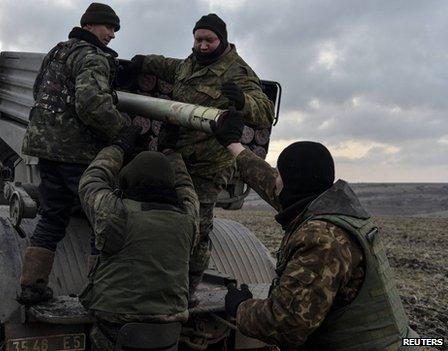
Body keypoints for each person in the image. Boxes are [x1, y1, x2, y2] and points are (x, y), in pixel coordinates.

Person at [216, 129, 420, 349]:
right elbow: (267, 180)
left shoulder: (322, 239)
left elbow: (286, 323)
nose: (274, 180)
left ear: (289, 183)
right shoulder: (332, 208)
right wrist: (234, 145)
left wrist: (240, 307)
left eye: (279, 175)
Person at [129, 13, 275, 296]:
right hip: (178, 158)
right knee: (169, 220)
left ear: (222, 40)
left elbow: (265, 111)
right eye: (198, 40)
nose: (203, 45)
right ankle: (160, 279)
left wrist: (243, 101)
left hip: (210, 164)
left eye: (209, 40)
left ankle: (187, 292)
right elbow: (170, 67)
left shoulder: (238, 71)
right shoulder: (190, 64)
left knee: (198, 229)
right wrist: (144, 61)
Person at [18, 2, 129, 305]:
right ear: (91, 25)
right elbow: (92, 102)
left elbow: (39, 89)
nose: (112, 34)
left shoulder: (58, 50)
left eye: (115, 29)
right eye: (109, 27)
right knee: (100, 218)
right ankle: (98, 293)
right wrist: (122, 131)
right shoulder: (92, 57)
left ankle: (31, 285)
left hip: (45, 148)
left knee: (53, 215)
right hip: (76, 154)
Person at [77, 125, 200, 349]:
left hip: (115, 325)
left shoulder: (116, 213)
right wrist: (170, 152)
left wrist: (118, 146)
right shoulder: (188, 218)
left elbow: (92, 180)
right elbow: (185, 186)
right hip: (168, 329)